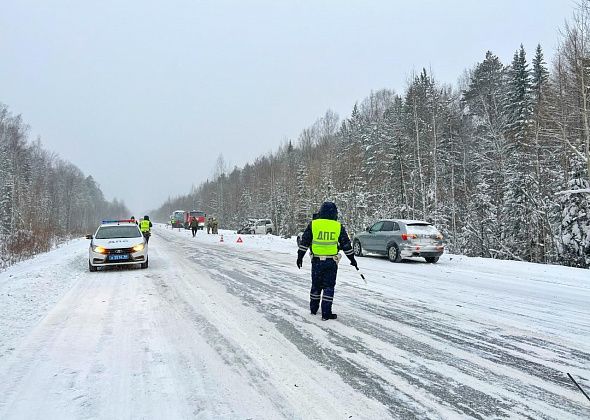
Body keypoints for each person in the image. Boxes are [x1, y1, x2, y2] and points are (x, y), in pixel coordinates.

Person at [297, 202, 357, 321]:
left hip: (316, 261)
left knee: (316, 285)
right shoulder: (337, 226)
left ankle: (313, 309)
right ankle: (326, 313)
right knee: (329, 287)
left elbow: (305, 242)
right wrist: (352, 259)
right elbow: (346, 245)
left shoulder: (314, 224)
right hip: (331, 262)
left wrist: (300, 257)